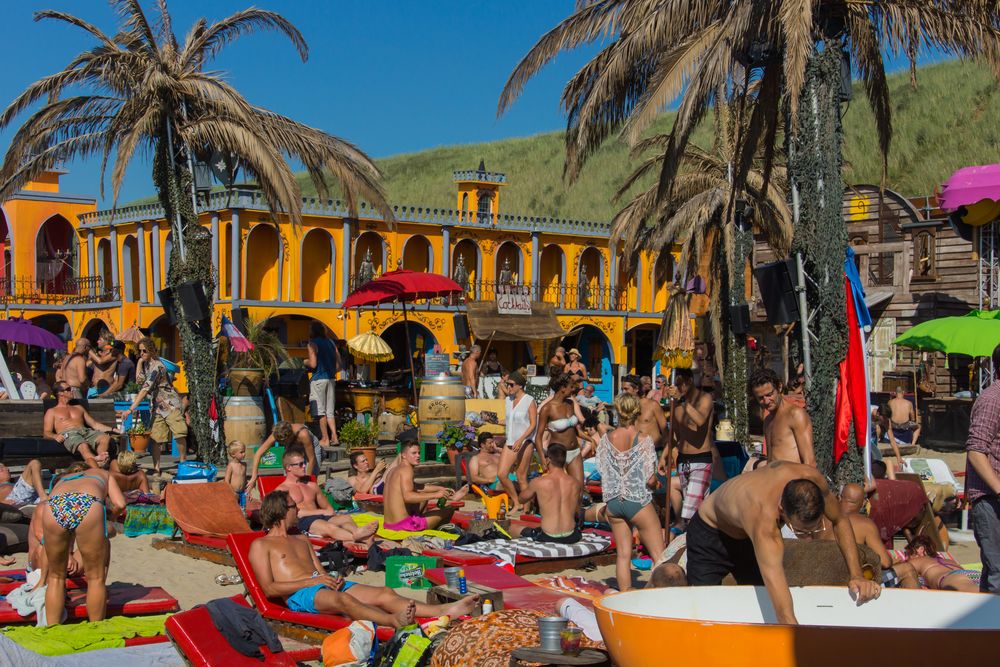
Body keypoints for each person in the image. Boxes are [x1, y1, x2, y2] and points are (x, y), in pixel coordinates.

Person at [686, 461, 880, 624]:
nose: (809, 538)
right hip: (711, 534)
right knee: (704, 610)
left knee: (765, 602)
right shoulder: (763, 521)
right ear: (781, 509)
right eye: (801, 531)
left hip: (746, 535)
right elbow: (785, 614)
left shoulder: (812, 478)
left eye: (815, 529)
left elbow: (840, 520)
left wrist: (856, 575)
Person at [250, 490, 478, 627]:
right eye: (293, 507)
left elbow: (320, 571)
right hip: (300, 595)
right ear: (280, 511)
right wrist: (314, 582)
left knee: (385, 593)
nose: (298, 510)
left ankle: (443, 611)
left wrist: (332, 579)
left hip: (321, 586)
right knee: (345, 602)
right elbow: (269, 589)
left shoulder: (301, 539)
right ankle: (392, 621)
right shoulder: (261, 545)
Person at [39, 464, 125, 624]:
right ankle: (95, 629)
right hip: (87, 502)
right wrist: (112, 516)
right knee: (95, 578)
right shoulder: (103, 474)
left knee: (56, 577)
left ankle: (52, 629)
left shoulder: (62, 479)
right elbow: (120, 504)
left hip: (54, 505)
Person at [598, 394, 664, 591]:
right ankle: (656, 594)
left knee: (623, 555)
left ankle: (624, 593)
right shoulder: (643, 439)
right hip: (636, 500)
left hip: (614, 503)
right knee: (659, 556)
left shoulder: (606, 439)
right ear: (637, 411)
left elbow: (603, 470)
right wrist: (656, 485)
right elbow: (649, 479)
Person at [276, 451, 378, 543]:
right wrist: (321, 511)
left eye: (304, 463)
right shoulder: (282, 490)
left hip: (321, 517)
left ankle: (357, 532)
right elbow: (291, 513)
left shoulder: (312, 485)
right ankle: (356, 537)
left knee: (345, 518)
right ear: (288, 467)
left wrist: (326, 511)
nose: (304, 466)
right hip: (303, 522)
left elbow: (328, 508)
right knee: (329, 527)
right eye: (300, 464)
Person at [659, 368, 716, 530]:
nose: (677, 388)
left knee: (690, 512)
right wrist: (664, 455)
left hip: (701, 459)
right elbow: (676, 436)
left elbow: (699, 421)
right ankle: (702, 539)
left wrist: (684, 402)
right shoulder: (676, 407)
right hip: (683, 460)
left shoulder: (705, 398)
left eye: (679, 384)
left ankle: (689, 541)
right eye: (674, 385)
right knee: (697, 508)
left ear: (689, 381)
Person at [965, 343, 1000, 593]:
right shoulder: (992, 399)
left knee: (993, 573)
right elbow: (976, 452)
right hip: (990, 499)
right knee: (998, 572)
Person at [122, 338, 186, 474]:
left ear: (151, 350)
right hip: (157, 406)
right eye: (139, 351)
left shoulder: (157, 366)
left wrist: (130, 409)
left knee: (179, 433)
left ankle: (183, 463)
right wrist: (139, 362)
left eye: (144, 351)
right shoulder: (146, 365)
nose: (142, 353)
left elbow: (145, 389)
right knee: (156, 438)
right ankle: (156, 468)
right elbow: (139, 380)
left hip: (170, 404)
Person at [835, 483, 918, 588]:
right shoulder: (865, 524)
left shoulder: (826, 519)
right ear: (864, 503)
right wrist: (892, 561)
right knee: (907, 569)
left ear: (839, 498)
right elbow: (885, 562)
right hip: (853, 583)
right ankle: (915, 604)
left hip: (825, 577)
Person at [384, 441, 469, 531]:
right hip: (404, 526)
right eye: (414, 453)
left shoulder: (394, 470)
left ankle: (428, 519)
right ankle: (440, 530)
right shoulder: (406, 469)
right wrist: (436, 495)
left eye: (419, 453)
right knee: (449, 508)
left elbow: (416, 487)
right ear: (403, 455)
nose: (418, 456)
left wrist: (440, 488)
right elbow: (408, 497)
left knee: (424, 497)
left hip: (389, 525)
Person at [513, 444, 583, 543]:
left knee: (514, 528)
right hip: (572, 536)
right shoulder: (575, 483)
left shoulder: (538, 482)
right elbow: (577, 507)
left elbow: (521, 499)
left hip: (548, 537)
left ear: (548, 460)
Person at [750, 368, 815, 466]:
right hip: (774, 479)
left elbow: (810, 463)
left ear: (779, 387)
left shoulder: (795, 415)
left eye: (769, 394)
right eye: (761, 398)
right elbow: (770, 461)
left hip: (793, 479)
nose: (766, 401)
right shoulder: (767, 421)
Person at [43, 382, 115, 468]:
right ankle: (96, 465)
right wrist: (55, 436)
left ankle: (101, 459)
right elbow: (46, 432)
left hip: (85, 431)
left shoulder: (78, 407)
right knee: (83, 445)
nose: (72, 391)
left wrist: (114, 430)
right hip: (69, 433)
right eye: (69, 389)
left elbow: (94, 424)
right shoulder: (52, 411)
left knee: (105, 438)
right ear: (60, 393)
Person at [536, 373, 587, 485]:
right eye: (571, 386)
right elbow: (538, 437)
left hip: (575, 451)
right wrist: (542, 459)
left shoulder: (570, 403)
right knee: (558, 491)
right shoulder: (547, 408)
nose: (574, 389)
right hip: (556, 454)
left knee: (579, 488)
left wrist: (590, 439)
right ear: (563, 388)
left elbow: (576, 430)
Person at [498, 371, 537, 511]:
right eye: (508, 384)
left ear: (520, 386)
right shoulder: (508, 400)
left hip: (525, 441)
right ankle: (516, 502)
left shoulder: (529, 400)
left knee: (521, 476)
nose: (509, 387)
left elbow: (533, 424)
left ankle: (527, 508)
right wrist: (494, 421)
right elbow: (509, 421)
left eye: (511, 384)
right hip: (510, 441)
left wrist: (521, 440)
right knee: (502, 474)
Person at [247, 421, 321, 493]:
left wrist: (306, 481)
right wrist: (253, 477)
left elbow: (311, 460)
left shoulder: (303, 434)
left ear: (290, 436)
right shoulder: (277, 433)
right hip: (292, 444)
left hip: (311, 445)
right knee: (289, 472)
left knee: (312, 476)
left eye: (283, 442)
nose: (281, 444)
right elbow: (258, 453)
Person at [306, 321, 341, 447]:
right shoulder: (331, 343)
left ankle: (325, 439)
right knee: (330, 411)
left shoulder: (312, 344)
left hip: (318, 380)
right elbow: (339, 366)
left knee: (321, 412)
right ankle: (335, 437)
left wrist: (306, 362)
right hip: (331, 379)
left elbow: (313, 364)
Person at [903, 535, 979, 592]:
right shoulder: (948, 560)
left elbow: (900, 570)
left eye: (909, 553)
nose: (907, 557)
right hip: (974, 575)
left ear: (920, 549)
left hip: (952, 578)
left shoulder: (919, 560)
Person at [620, 375, 667, 445]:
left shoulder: (652, 405)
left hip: (654, 451)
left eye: (626, 389)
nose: (623, 392)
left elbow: (666, 434)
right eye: (622, 389)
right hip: (633, 452)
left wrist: (663, 456)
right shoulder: (625, 408)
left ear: (636, 389)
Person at [225, 441, 248, 509]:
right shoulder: (231, 466)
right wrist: (232, 492)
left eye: (244, 451)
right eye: (241, 452)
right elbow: (226, 481)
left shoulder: (244, 465)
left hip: (242, 492)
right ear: (233, 454)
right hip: (233, 492)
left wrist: (247, 488)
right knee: (234, 509)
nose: (244, 454)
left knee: (243, 509)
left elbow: (244, 478)